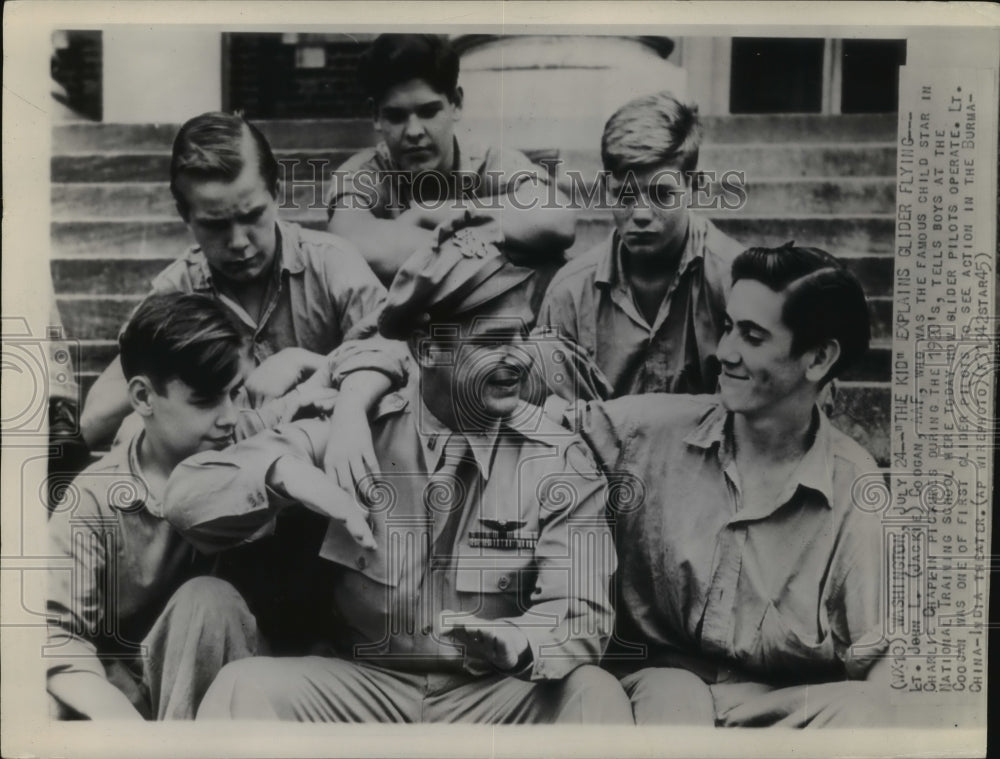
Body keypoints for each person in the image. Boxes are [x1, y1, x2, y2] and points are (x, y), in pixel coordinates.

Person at [162, 233, 632, 724]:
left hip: (494, 695)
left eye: (523, 335)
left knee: (593, 695)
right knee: (243, 689)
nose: (519, 357)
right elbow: (187, 496)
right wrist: (283, 475)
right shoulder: (355, 433)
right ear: (427, 350)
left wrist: (524, 639)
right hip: (364, 689)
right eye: (493, 341)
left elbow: (582, 609)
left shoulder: (557, 457)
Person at [546, 244, 891, 726]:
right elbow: (537, 432)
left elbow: (880, 660)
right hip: (660, 692)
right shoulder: (647, 433)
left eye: (752, 336)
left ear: (818, 358)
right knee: (675, 697)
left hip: (775, 711)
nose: (724, 351)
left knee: (869, 710)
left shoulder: (855, 490)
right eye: (728, 326)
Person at [80, 111, 392, 449]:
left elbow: (402, 361)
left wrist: (305, 364)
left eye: (251, 215)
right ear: (185, 216)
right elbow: (95, 420)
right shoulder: (176, 292)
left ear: (276, 192)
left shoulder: (333, 264)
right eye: (215, 225)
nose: (239, 242)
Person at [46, 293, 259, 720]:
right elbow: (55, 633)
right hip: (127, 699)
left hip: (232, 687)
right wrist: (122, 721)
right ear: (143, 397)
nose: (230, 417)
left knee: (209, 600)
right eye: (205, 400)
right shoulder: (93, 498)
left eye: (236, 393)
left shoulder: (254, 453)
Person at [327, 33, 576, 292]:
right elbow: (350, 244)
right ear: (375, 116)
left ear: (456, 104)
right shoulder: (362, 174)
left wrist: (429, 211)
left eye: (428, 111)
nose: (413, 131)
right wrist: (499, 248)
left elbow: (557, 219)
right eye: (396, 116)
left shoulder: (491, 161)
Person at [538, 91, 745, 396]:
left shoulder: (737, 281)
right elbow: (544, 413)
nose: (641, 214)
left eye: (662, 194)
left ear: (694, 186)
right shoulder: (570, 292)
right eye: (624, 195)